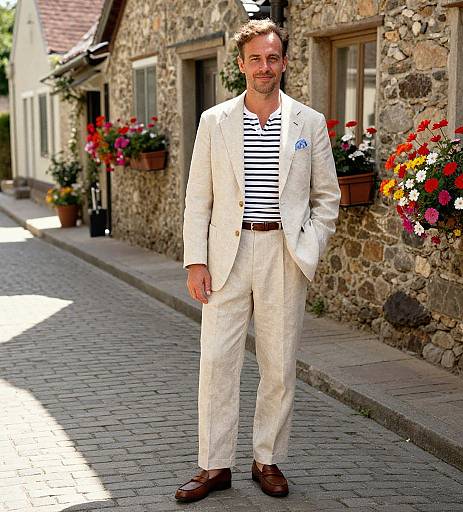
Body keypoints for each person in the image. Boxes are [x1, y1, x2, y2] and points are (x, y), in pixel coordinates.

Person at [175, 18, 340, 503]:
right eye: (255, 58)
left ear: (284, 63)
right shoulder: (215, 121)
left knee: (279, 365)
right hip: (226, 254)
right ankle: (214, 465)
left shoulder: (308, 123)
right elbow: (197, 200)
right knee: (217, 364)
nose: (264, 67)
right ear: (241, 64)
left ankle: (266, 459)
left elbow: (326, 197)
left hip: (283, 256)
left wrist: (308, 245)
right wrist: (195, 261)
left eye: (272, 58)